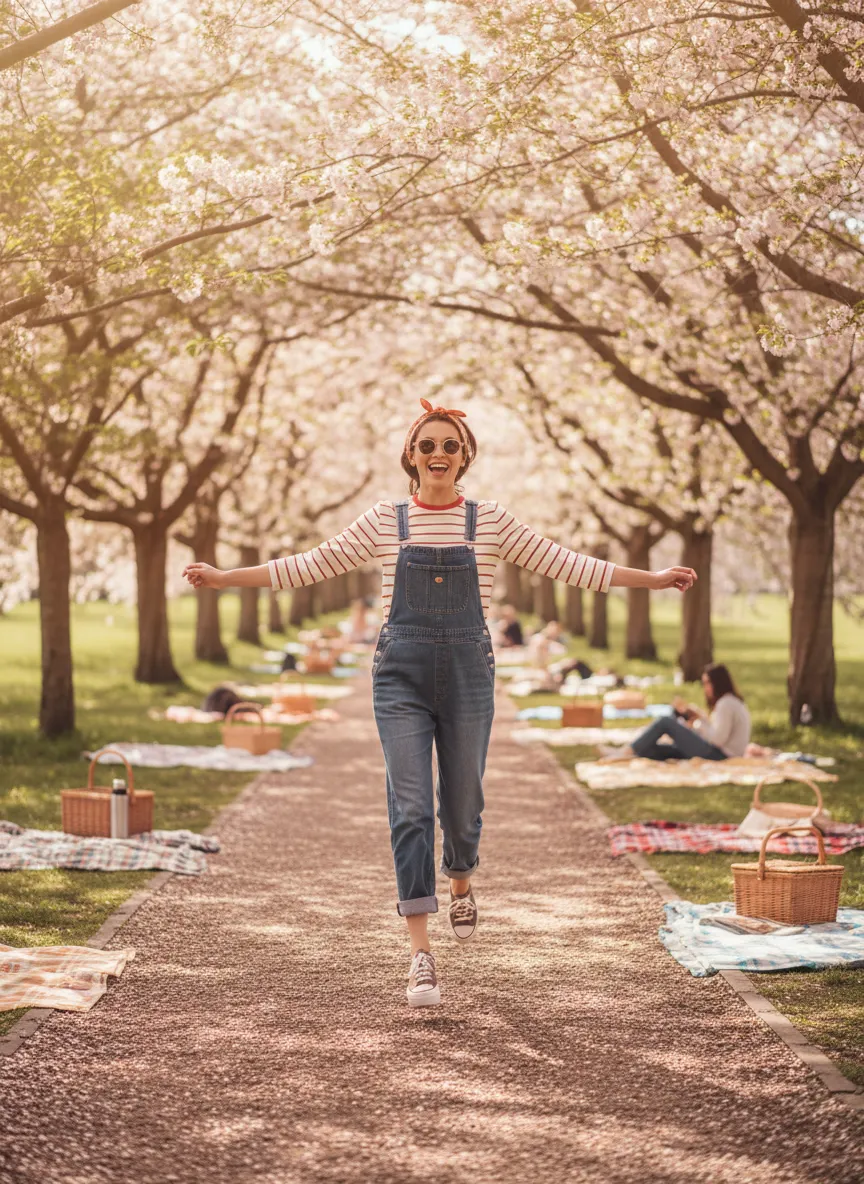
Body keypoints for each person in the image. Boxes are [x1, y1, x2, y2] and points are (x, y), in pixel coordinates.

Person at [183, 398, 696, 1007]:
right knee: (409, 807)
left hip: (468, 675)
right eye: (427, 445)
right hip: (397, 677)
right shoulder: (384, 521)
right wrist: (223, 578)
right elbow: (305, 566)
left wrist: (654, 579)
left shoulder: (490, 522)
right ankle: (420, 954)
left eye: (449, 446)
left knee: (463, 800)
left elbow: (572, 566)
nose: (438, 455)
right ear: (411, 455)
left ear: (465, 457)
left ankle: (462, 879)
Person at [603, 663, 750, 762]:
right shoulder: (731, 702)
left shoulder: (726, 704)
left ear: (718, 683)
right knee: (657, 749)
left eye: (707, 683)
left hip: (721, 756)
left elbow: (717, 740)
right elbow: (718, 732)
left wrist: (698, 724)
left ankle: (625, 752)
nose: (705, 688)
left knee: (665, 722)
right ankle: (628, 752)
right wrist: (698, 718)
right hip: (720, 753)